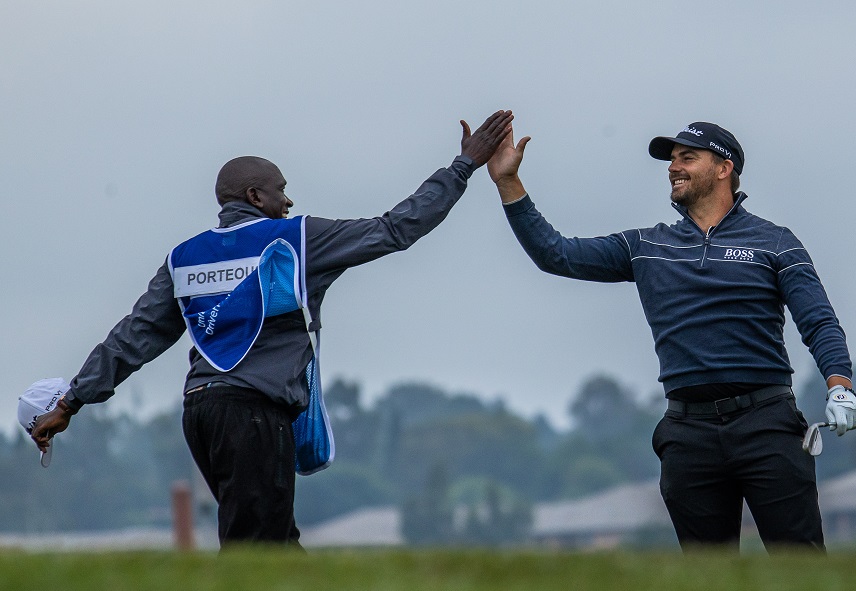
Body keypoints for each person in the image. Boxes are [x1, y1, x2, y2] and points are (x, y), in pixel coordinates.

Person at [29, 109, 515, 548]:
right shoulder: (295, 238)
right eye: (281, 189)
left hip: (201, 413)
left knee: (279, 548)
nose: (289, 199)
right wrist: (462, 168)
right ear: (255, 196)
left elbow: (135, 336)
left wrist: (73, 399)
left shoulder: (184, 257)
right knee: (254, 554)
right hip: (252, 416)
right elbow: (395, 229)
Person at [486, 120, 856, 552]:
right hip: (688, 432)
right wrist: (509, 182)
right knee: (706, 578)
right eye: (672, 160)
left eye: (687, 158)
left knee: (800, 567)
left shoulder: (776, 242)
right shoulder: (645, 246)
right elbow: (556, 254)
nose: (673, 167)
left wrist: (840, 385)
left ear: (724, 168)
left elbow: (818, 320)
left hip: (768, 424)